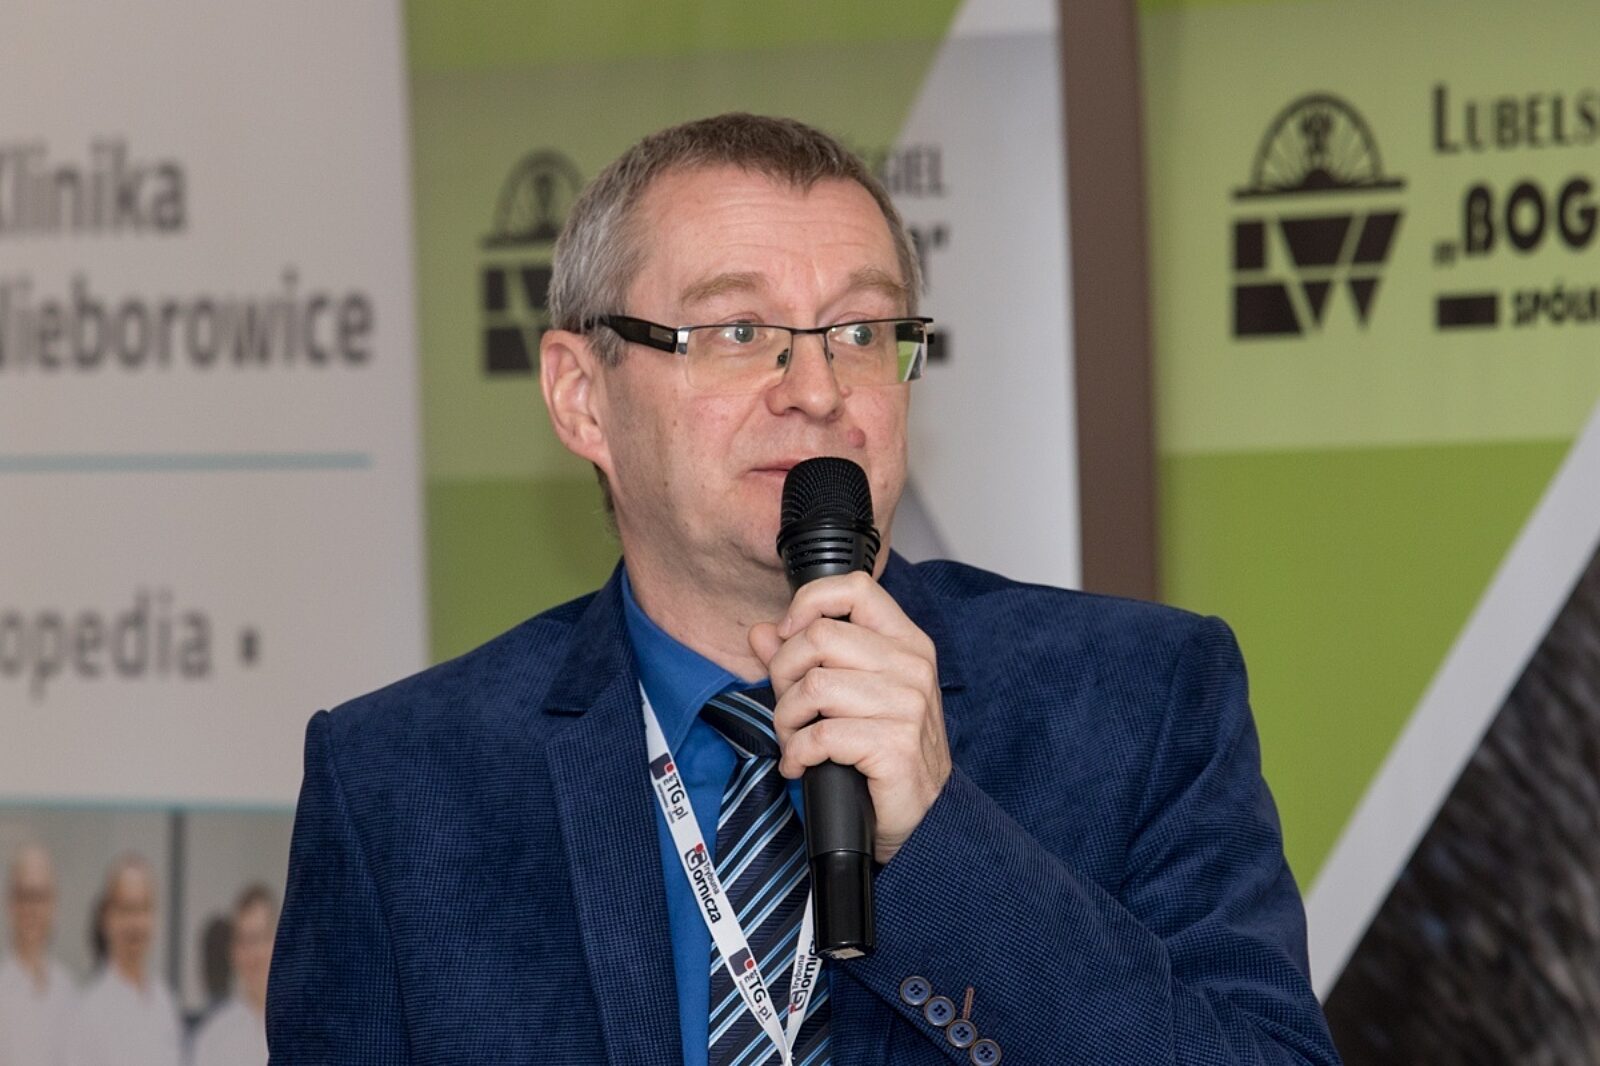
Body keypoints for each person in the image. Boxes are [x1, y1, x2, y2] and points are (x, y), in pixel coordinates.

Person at [268, 113, 1340, 1064]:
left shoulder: (1140, 701)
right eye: (739, 333)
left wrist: (944, 845)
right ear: (581, 395)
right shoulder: (403, 784)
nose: (819, 391)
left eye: (861, 333)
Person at [64, 855, 181, 1066]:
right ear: (107, 918)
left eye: (144, 909)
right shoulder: (86, 1012)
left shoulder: (164, 1003)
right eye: (127, 909)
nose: (136, 923)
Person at [0, 843, 76, 1066]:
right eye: (25, 896)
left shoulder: (68, 990)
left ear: (53, 904)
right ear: (10, 903)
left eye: (41, 897)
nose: (32, 908)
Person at [191, 886, 274, 1066]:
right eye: (243, 941)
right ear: (233, 952)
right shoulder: (212, 1036)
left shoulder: (301, 1029)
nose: (251, 953)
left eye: (258, 938)